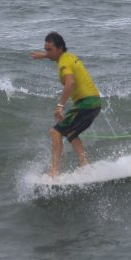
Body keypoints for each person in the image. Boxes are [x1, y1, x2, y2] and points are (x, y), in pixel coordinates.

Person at [31, 32, 102, 178]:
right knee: (70, 132)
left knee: (56, 132)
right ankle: (85, 165)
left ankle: (54, 172)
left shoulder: (63, 63)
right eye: (46, 49)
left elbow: (70, 82)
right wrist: (43, 56)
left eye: (49, 50)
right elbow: (56, 56)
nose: (47, 52)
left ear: (60, 48)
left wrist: (60, 106)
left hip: (86, 103)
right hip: (95, 102)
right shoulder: (69, 56)